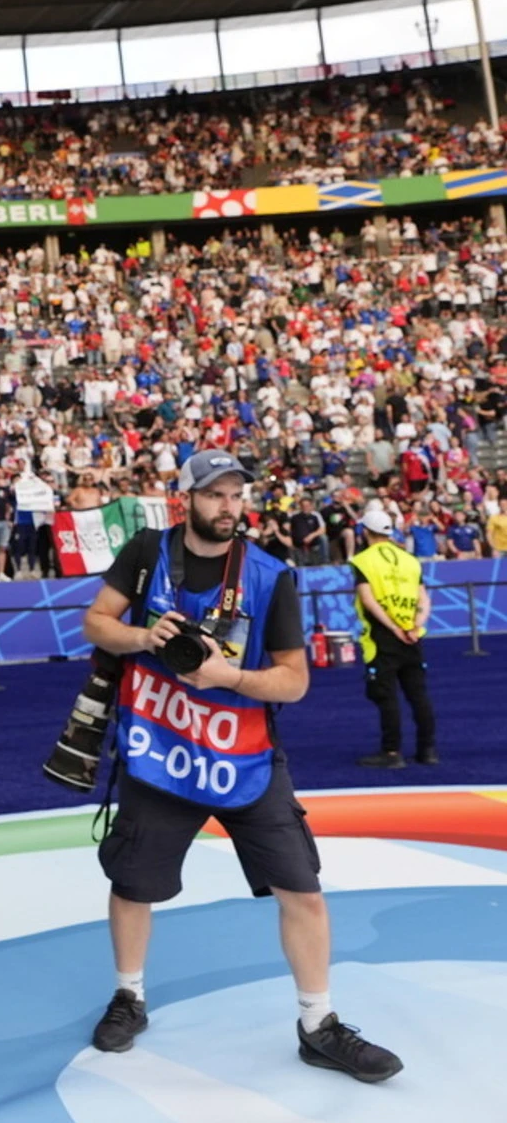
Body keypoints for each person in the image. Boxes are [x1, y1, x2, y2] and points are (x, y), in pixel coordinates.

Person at [81, 451, 402, 1082]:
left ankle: (319, 1024)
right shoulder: (147, 552)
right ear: (188, 499)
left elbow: (295, 681)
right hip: (159, 749)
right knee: (133, 884)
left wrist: (228, 676)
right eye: (215, 495)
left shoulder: (268, 573)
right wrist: (147, 638)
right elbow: (96, 622)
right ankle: (129, 996)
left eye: (236, 495)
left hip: (242, 753)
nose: (228, 506)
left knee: (302, 890)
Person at [350, 504, 435, 767]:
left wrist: (393, 628)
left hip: (383, 637)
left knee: (386, 695)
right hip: (412, 635)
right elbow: (424, 598)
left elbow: (369, 600)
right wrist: (414, 625)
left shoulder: (362, 560)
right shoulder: (410, 559)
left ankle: (391, 752)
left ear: (366, 531)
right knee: (418, 694)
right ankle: (427, 750)